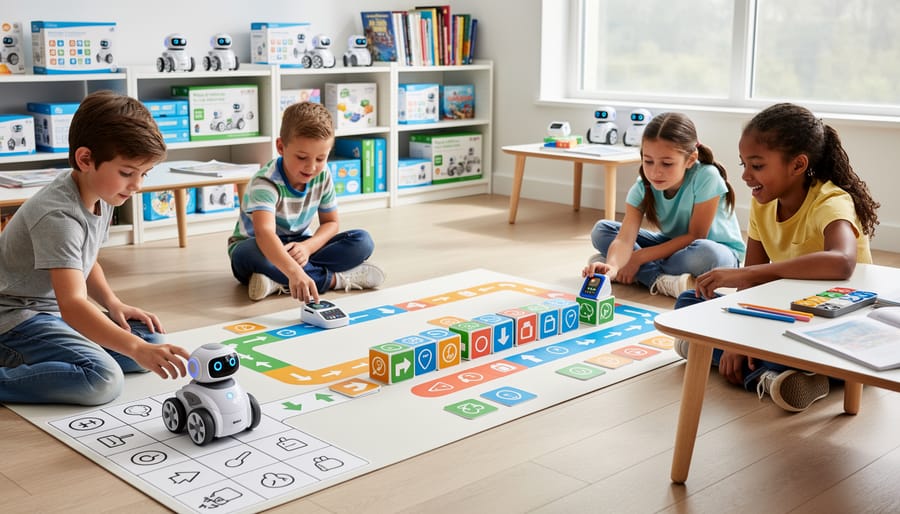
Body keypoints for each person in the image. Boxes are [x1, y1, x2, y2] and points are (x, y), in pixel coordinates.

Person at [675, 102, 880, 413]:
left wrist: (747, 279)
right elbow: (751, 282)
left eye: (757, 166)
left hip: (838, 323)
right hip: (790, 312)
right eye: (743, 163)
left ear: (797, 165)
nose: (745, 176)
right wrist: (735, 340)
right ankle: (780, 375)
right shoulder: (762, 202)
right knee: (689, 303)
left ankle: (766, 370)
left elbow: (841, 261)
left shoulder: (831, 201)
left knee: (764, 337)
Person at [0, 91, 190, 406]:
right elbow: (74, 304)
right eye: (128, 173)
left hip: (50, 313)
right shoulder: (58, 216)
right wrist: (136, 349)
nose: (137, 185)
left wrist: (112, 303)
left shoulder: (100, 192)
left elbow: (86, 262)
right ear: (86, 159)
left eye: (144, 174)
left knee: (151, 340)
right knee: (103, 379)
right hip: (14, 319)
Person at [229, 101, 384, 302]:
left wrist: (308, 248)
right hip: (259, 247)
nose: (311, 167)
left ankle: (277, 281)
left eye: (320, 159)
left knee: (362, 241)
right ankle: (333, 280)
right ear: (280, 147)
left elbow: (331, 223)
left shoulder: (323, 175)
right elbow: (264, 233)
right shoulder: (265, 182)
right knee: (250, 251)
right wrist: (294, 272)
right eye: (302, 157)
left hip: (299, 245)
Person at [583, 112, 745, 299]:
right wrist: (612, 265)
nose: (655, 172)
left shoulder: (707, 176)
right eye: (648, 161)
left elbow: (695, 236)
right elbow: (625, 238)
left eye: (667, 163)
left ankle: (639, 272)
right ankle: (660, 279)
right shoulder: (642, 185)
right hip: (671, 246)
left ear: (690, 159)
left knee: (705, 253)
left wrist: (638, 258)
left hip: (715, 252)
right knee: (602, 230)